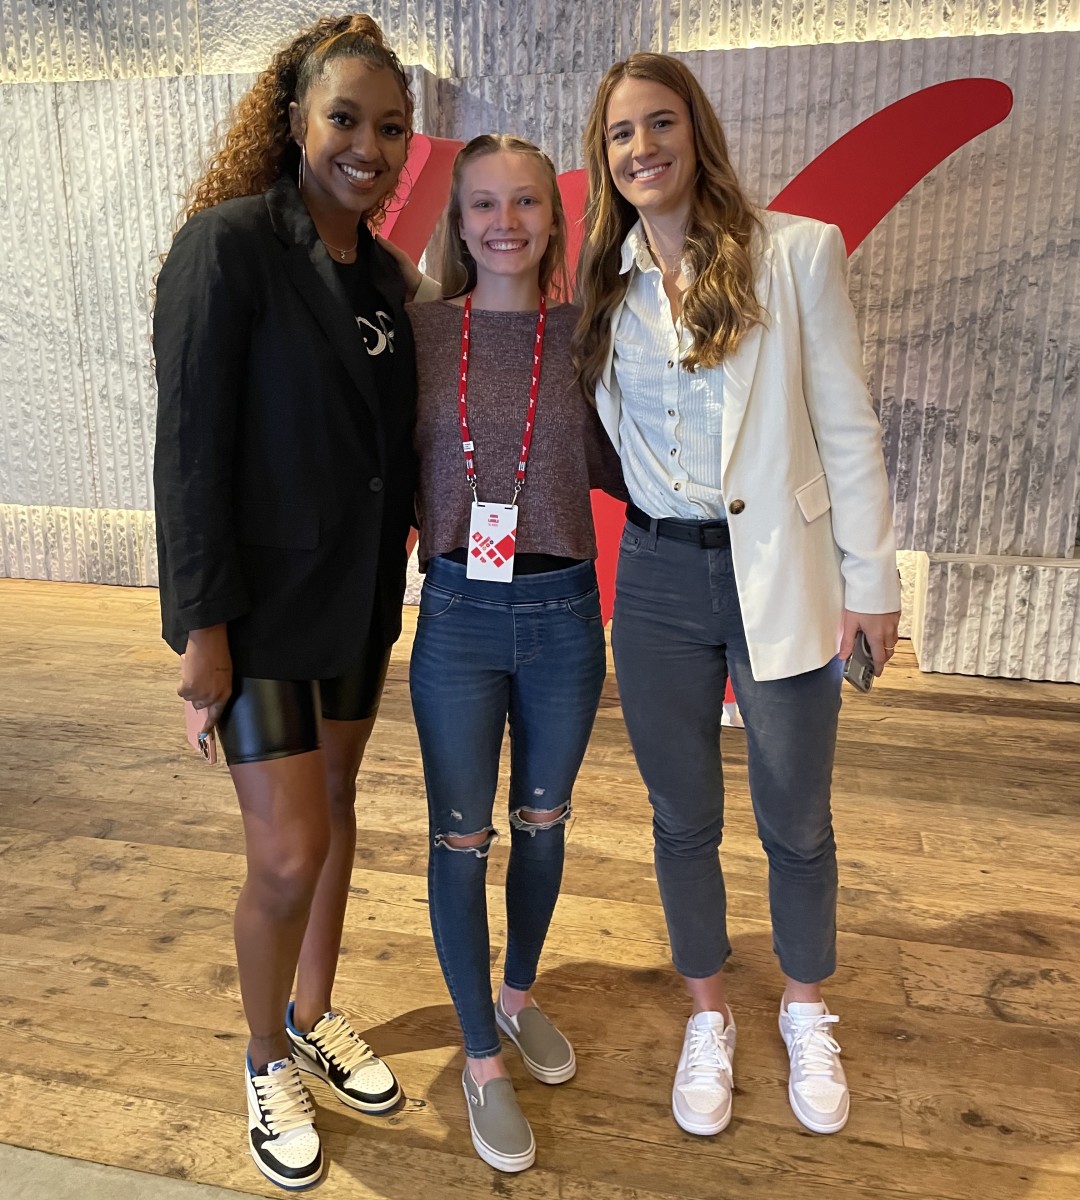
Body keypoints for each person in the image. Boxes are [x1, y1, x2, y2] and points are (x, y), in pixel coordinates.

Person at [572, 53, 902, 1139]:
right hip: (659, 576)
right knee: (680, 818)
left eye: (659, 124)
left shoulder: (794, 255)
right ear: (604, 157)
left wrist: (873, 582)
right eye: (621, 134)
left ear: (694, 132)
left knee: (797, 816)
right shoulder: (607, 283)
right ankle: (707, 1011)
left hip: (783, 573)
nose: (641, 149)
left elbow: (846, 428)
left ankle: (807, 1005)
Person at [153, 14, 437, 1190]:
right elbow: (189, 452)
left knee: (337, 807)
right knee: (286, 855)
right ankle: (265, 1054)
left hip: (359, 605)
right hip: (258, 614)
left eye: (390, 128)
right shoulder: (225, 248)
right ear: (295, 121)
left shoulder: (385, 277)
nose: (368, 146)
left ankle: (315, 1015)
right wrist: (203, 633)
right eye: (346, 119)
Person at [407, 134, 624, 1173]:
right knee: (461, 838)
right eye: (485, 204)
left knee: (544, 823)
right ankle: (481, 1056)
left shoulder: (589, 334)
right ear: (458, 223)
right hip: (454, 612)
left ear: (553, 217)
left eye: (527, 202)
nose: (506, 222)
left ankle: (518, 993)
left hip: (564, 614)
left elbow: (649, 455)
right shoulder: (419, 334)